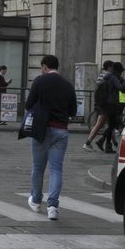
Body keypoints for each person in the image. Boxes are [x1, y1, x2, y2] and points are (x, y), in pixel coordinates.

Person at [24, 54, 76, 220]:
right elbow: (73, 111)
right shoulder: (67, 85)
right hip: (61, 131)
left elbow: (28, 104)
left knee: (38, 167)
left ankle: (37, 200)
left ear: (44, 67)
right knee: (56, 168)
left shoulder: (40, 81)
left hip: (42, 129)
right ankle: (52, 206)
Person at [85, 60, 117, 151]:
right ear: (109, 67)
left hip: (101, 103)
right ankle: (87, 143)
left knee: (110, 124)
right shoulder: (109, 76)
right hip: (106, 104)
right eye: (112, 67)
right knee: (100, 124)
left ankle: (114, 143)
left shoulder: (101, 75)